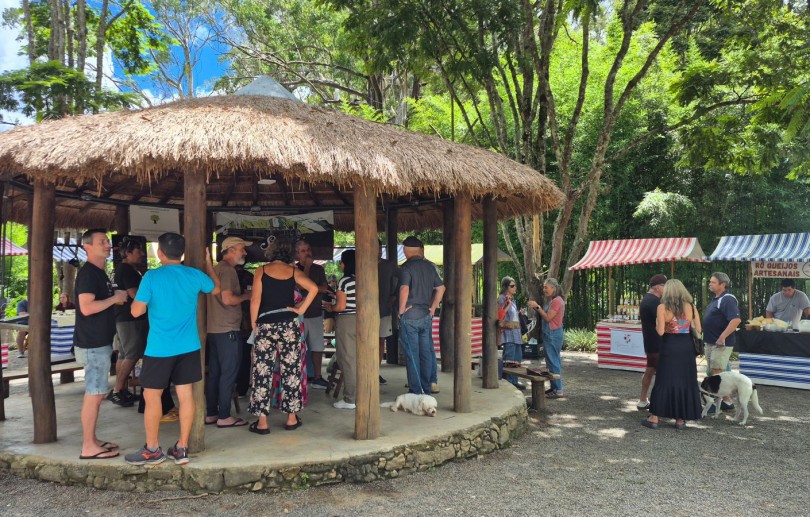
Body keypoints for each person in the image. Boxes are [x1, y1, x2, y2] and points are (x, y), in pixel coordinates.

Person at [124, 232, 221, 465]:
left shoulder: (152, 277)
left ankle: (152, 449)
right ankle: (182, 448)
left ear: (160, 253)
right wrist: (209, 264)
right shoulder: (194, 275)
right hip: (188, 346)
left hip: (160, 348)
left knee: (152, 396)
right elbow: (216, 289)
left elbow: (136, 311)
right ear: (182, 253)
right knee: (186, 396)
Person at [248, 237, 317, 433]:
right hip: (289, 325)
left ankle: (262, 423)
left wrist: (254, 323)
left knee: (262, 372)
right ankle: (291, 419)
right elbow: (313, 288)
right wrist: (300, 309)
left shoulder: (261, 270)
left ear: (272, 251)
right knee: (291, 371)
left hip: (266, 324)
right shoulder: (294, 271)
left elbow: (255, 300)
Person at [73, 229, 128, 460]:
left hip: (99, 341)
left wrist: (114, 297)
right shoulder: (88, 274)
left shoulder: (99, 272)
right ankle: (88, 446)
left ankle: (92, 440)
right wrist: (115, 298)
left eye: (107, 241)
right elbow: (87, 307)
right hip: (92, 342)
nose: (107, 245)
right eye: (102, 242)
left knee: (97, 392)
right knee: (94, 393)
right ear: (87, 247)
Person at [642, 279, 703, 430]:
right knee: (685, 380)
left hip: (669, 346)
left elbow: (660, 332)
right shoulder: (691, 307)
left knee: (664, 379)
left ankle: (654, 418)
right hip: (686, 347)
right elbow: (699, 329)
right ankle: (680, 420)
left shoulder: (662, 307)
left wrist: (663, 323)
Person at [205, 236, 253, 428]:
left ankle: (212, 413)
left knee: (215, 374)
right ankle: (224, 415)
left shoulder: (216, 269)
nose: (245, 252)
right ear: (231, 250)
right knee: (229, 373)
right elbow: (228, 299)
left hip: (214, 329)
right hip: (228, 329)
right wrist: (246, 296)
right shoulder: (228, 271)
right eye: (242, 249)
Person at [397, 236, 445, 396]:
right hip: (425, 316)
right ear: (420, 250)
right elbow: (441, 288)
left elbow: (404, 289)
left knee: (412, 355)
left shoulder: (406, 268)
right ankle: (427, 388)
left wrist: (401, 310)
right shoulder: (430, 267)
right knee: (425, 353)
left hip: (410, 316)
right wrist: (432, 308)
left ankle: (416, 391)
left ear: (405, 250)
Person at [108, 237, 147, 407]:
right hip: (130, 318)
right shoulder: (128, 271)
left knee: (124, 354)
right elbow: (134, 294)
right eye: (138, 251)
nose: (142, 254)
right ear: (128, 253)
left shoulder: (121, 269)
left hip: (122, 317)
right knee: (132, 353)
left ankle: (121, 390)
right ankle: (117, 390)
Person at [702, 272, 742, 413]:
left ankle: (715, 404)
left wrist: (722, 337)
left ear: (723, 284)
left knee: (716, 371)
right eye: (710, 282)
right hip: (712, 342)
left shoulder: (727, 299)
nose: (710, 284)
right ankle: (726, 401)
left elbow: (736, 320)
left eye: (713, 282)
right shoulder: (716, 299)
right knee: (714, 371)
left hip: (720, 343)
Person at [326, 250, 360, 409]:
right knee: (360, 359)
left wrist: (330, 307)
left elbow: (340, 306)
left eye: (341, 261)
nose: (340, 264)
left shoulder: (345, 281)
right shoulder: (363, 278)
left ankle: (350, 399)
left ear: (346, 264)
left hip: (347, 320)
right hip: (363, 321)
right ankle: (362, 394)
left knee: (347, 359)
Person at [295, 239, 330, 390]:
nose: (307, 253)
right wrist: (307, 267)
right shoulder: (294, 269)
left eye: (308, 249)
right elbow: (300, 287)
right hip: (299, 315)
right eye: (303, 251)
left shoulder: (319, 269)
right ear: (297, 254)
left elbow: (324, 287)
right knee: (297, 348)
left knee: (317, 347)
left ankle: (317, 377)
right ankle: (297, 377)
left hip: (315, 313)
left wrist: (311, 288)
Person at [528, 278, 566, 399]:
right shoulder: (555, 300)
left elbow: (548, 318)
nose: (544, 289)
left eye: (546, 287)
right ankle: (554, 387)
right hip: (553, 333)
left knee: (553, 361)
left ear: (553, 288)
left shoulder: (556, 301)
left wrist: (537, 307)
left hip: (552, 334)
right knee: (552, 361)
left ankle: (558, 389)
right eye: (544, 287)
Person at [637, 274, 667, 410]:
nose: (666, 289)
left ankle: (643, 399)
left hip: (650, 342)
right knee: (662, 373)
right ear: (657, 287)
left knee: (650, 369)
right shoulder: (654, 302)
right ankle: (658, 403)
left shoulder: (647, 299)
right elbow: (664, 321)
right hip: (657, 343)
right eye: (664, 286)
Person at [378, 241, 399, 385]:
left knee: (381, 341)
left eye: (380, 248)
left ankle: (376, 370)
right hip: (364, 311)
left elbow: (401, 280)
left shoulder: (389, 265)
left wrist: (395, 295)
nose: (378, 251)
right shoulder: (360, 262)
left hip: (384, 309)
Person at [498, 276, 523, 389]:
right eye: (512, 286)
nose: (515, 287)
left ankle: (514, 381)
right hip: (508, 334)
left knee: (517, 358)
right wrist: (507, 304)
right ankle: (508, 383)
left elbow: (512, 315)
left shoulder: (512, 299)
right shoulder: (501, 298)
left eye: (515, 285)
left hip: (516, 333)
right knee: (509, 359)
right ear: (505, 287)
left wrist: (519, 313)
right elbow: (500, 314)